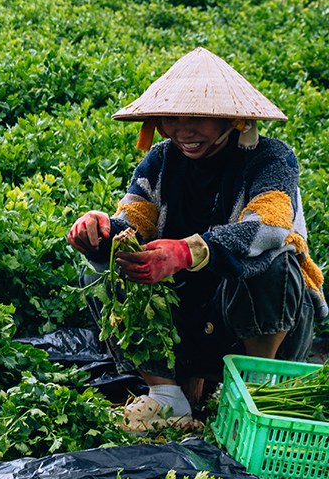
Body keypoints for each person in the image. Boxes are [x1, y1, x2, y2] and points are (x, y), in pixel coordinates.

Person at [68, 47, 322, 412]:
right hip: (187, 316)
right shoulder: (160, 160)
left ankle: (255, 391)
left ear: (230, 120)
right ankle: (167, 394)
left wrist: (188, 251)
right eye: (173, 118)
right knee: (112, 266)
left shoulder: (270, 158)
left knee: (275, 260)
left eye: (198, 118)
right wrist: (102, 231)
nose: (183, 130)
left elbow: (270, 226)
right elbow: (134, 222)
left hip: (257, 326)